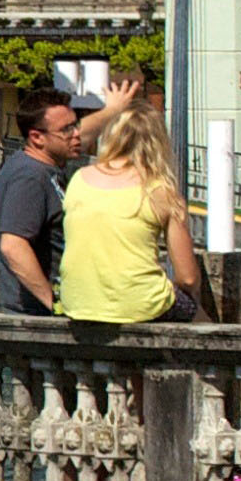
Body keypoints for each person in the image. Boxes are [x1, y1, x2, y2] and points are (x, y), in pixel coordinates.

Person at [56, 80, 205, 327]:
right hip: (139, 303)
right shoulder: (160, 191)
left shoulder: (79, 180)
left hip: (77, 303)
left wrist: (111, 110)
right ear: (158, 143)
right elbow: (188, 278)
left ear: (112, 138)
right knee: (205, 326)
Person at [0, 84, 86, 314]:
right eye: (67, 130)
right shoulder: (30, 176)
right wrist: (53, 303)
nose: (77, 134)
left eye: (76, 125)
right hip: (35, 317)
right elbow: (13, 245)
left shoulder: (47, 169)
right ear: (36, 137)